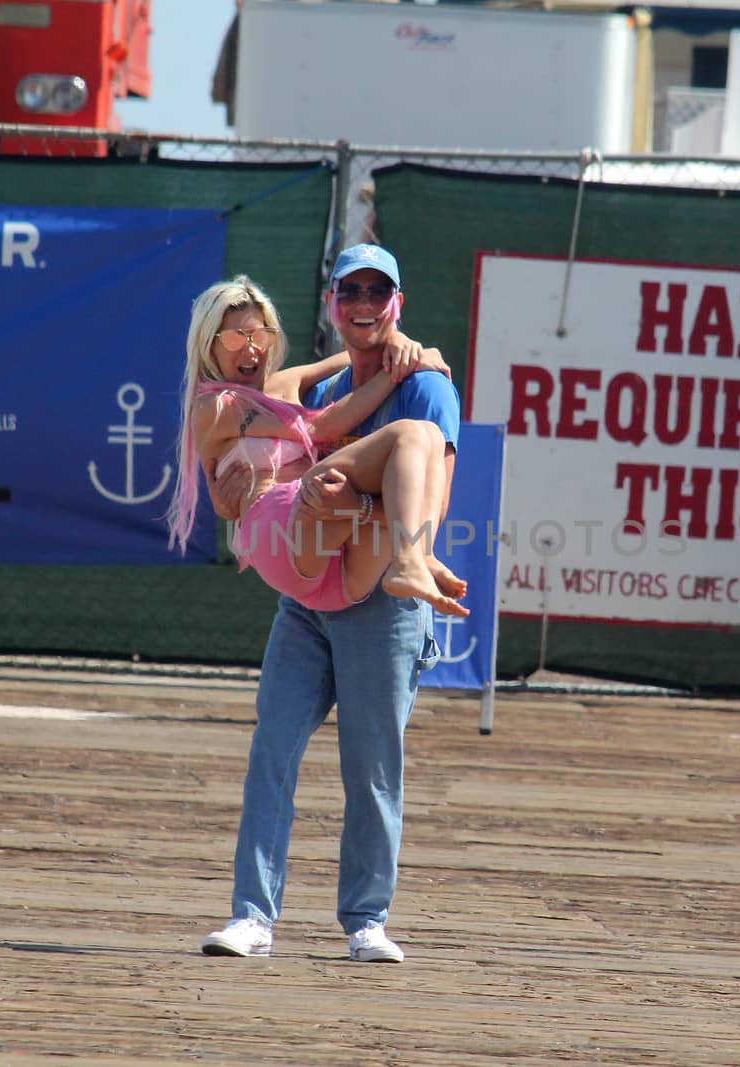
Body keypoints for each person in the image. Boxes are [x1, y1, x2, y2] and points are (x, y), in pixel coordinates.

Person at [199, 244, 461, 963]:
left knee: (373, 765)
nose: (365, 302)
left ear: (398, 303)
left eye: (380, 289)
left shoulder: (428, 386)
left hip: (384, 600)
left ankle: (366, 920)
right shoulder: (315, 388)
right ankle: (252, 915)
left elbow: (434, 491)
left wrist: (356, 499)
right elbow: (271, 474)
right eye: (352, 291)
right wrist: (245, 491)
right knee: (271, 747)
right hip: (308, 601)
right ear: (332, 305)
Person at [164, 275, 466, 617]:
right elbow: (320, 427)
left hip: (337, 573)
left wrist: (402, 344)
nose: (251, 349)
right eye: (235, 338)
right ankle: (414, 559)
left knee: (426, 433)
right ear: (209, 345)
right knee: (408, 435)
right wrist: (395, 372)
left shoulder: (283, 384)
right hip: (282, 531)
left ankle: (414, 557)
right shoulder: (216, 405)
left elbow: (357, 354)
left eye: (260, 335)